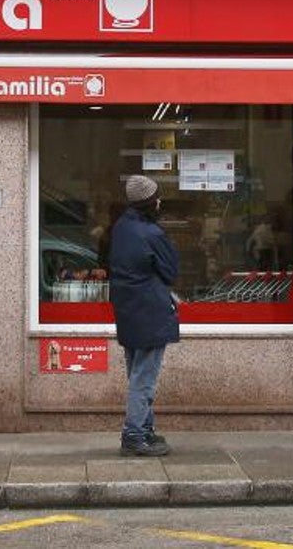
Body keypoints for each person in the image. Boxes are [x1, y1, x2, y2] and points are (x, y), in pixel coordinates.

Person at [109, 174, 179, 457]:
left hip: (127, 310)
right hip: (150, 311)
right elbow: (171, 271)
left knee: (135, 373)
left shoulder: (120, 228)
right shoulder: (152, 234)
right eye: (157, 197)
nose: (160, 201)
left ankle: (145, 429)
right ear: (150, 202)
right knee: (144, 378)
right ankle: (135, 434)